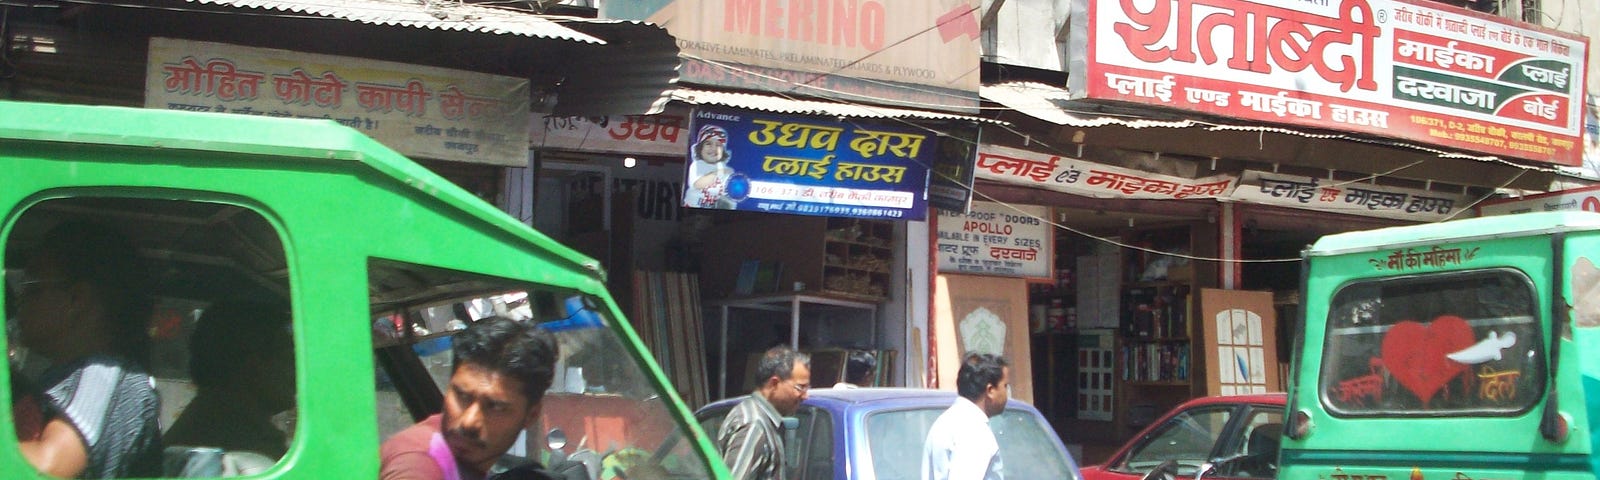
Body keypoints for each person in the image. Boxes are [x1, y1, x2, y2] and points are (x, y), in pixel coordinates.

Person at [9, 221, 161, 478]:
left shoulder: (103, 374)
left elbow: (48, 468)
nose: (19, 300)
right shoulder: (62, 378)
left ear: (76, 299)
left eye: (32, 287)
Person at [379, 316, 559, 480]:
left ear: (531, 415)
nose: (469, 422)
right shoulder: (421, 463)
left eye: (495, 406)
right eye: (462, 396)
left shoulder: (463, 465)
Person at [165, 299, 296, 460]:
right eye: (289, 358)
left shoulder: (211, 423)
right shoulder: (233, 444)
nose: (296, 371)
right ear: (253, 364)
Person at [716, 345, 811, 480]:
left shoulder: (762, 420)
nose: (805, 396)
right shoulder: (754, 425)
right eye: (800, 388)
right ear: (774, 384)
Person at [921, 353, 1010, 480]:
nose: (1007, 393)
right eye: (1005, 386)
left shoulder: (945, 422)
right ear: (990, 390)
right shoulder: (974, 431)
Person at [683, 125, 737, 209]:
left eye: (718, 145)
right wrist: (718, 173)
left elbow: (730, 195)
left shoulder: (727, 170)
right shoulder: (697, 165)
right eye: (708, 144)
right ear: (700, 148)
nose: (713, 149)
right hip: (693, 209)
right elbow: (698, 184)